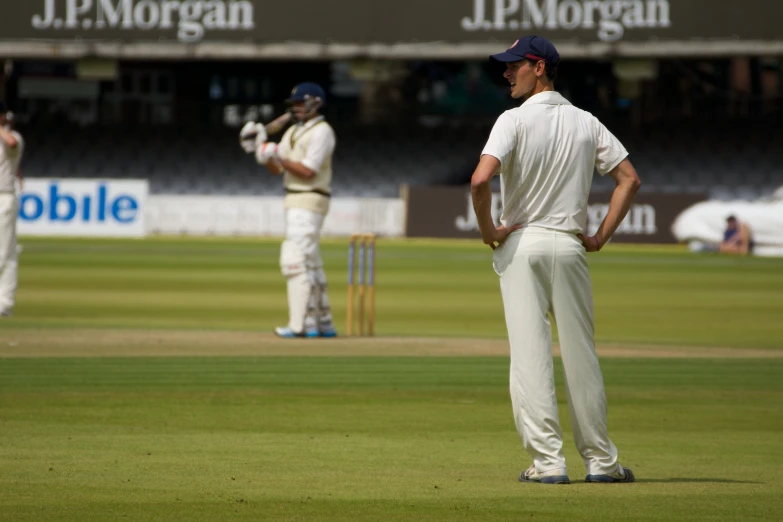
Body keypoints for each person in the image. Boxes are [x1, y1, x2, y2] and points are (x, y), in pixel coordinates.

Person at [470, 36, 641, 484]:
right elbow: (629, 179)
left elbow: (479, 181)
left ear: (539, 67)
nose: (506, 73)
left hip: (522, 245)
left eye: (514, 66)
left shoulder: (511, 120)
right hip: (568, 246)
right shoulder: (587, 121)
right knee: (581, 356)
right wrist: (600, 236)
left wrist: (489, 231)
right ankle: (602, 463)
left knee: (530, 357)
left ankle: (548, 464)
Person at [240, 83, 337, 338]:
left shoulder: (322, 132)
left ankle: (301, 325)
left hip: (309, 199)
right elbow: (279, 169)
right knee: (311, 263)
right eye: (293, 104)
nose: (295, 108)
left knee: (294, 261)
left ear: (315, 103)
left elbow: (307, 170)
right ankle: (323, 323)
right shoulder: (294, 131)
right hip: (295, 200)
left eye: (299, 103)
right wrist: (262, 153)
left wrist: (275, 155)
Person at [0, 103, 24, 317]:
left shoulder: (13, 136)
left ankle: (5, 302)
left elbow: (11, 142)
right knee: (7, 253)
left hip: (3, 198)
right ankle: (5, 303)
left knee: (3, 251)